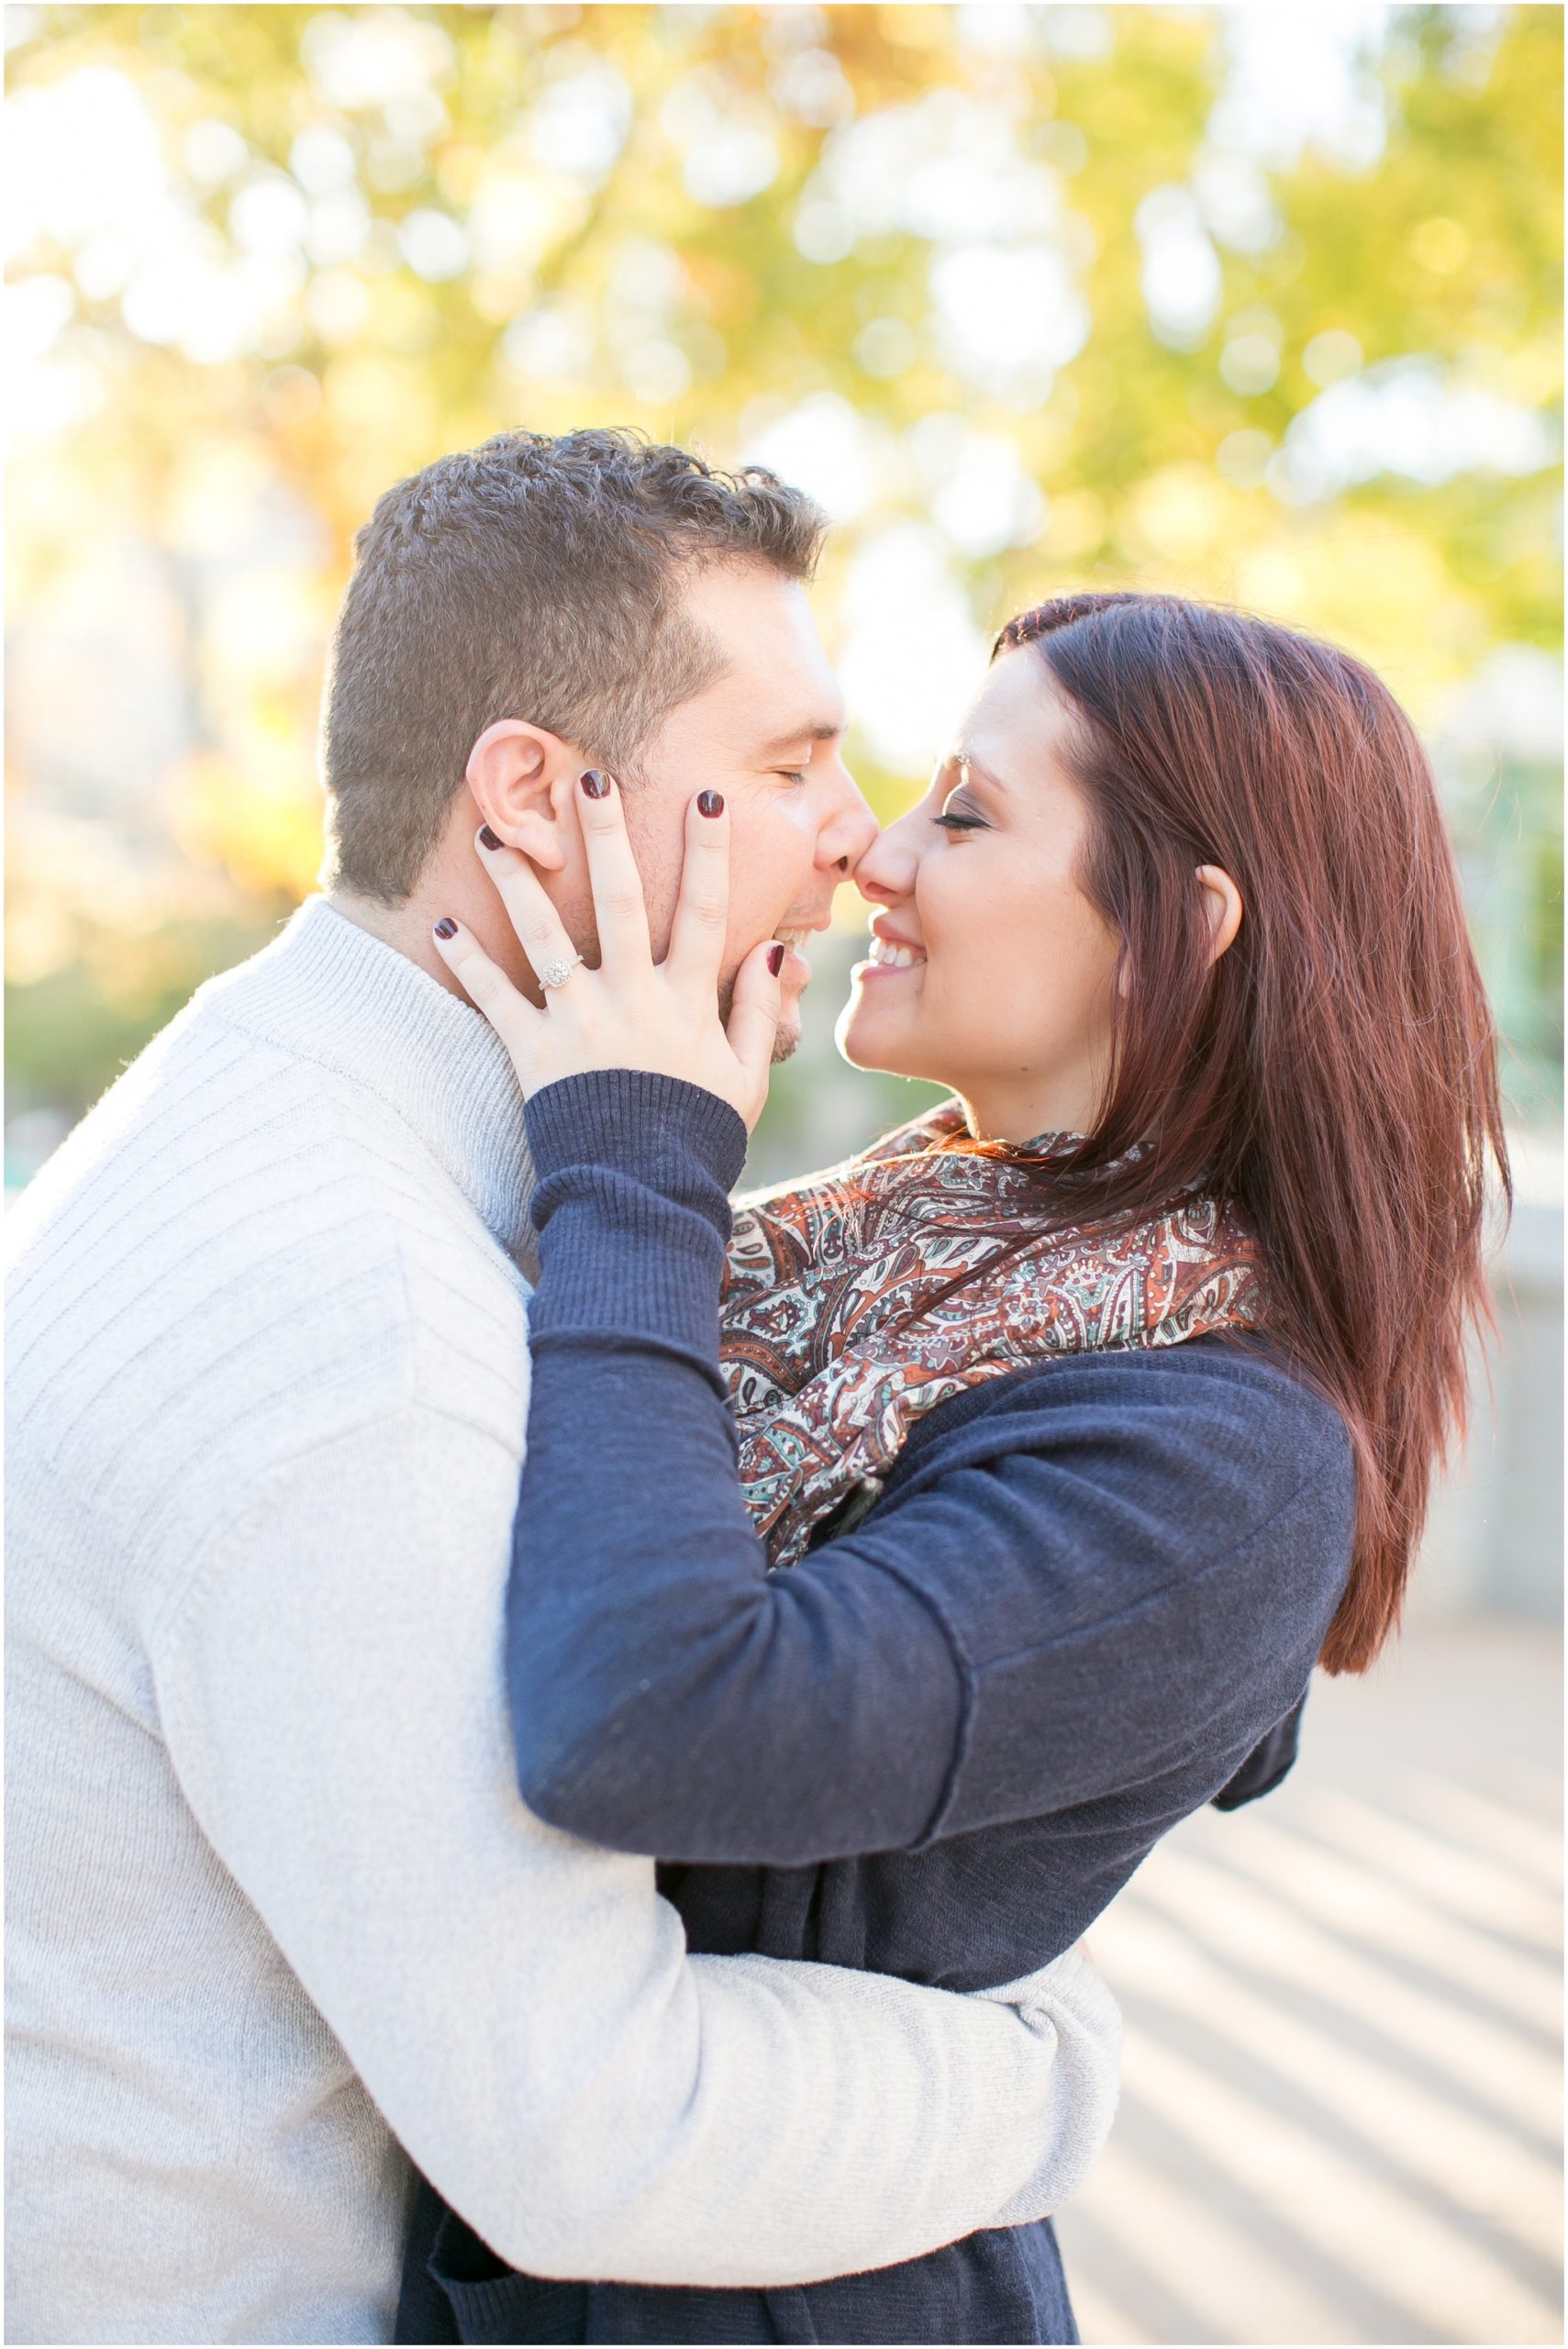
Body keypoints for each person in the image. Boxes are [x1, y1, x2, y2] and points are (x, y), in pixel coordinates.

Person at [4, 434, 1123, 2348]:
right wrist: (1053, 2068)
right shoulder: (358, 1329)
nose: (855, 843)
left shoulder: (259, 1093)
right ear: (533, 797)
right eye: (786, 765)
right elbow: (594, 2122)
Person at [408, 588, 1509, 2343]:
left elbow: (646, 1719)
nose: (875, 862)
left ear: (1182, 932)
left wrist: (636, 1165)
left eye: (969, 814)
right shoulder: (889, 1265)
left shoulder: (1220, 1460)